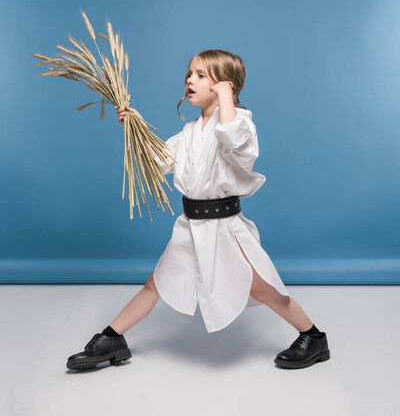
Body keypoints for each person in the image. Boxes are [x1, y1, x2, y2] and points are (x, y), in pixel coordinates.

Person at [66, 49, 330, 371]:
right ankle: (111, 338)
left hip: (225, 229)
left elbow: (234, 143)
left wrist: (226, 97)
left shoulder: (240, 123)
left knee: (263, 288)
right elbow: (160, 162)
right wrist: (134, 127)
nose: (190, 80)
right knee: (156, 282)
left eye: (201, 76)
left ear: (224, 86)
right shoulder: (190, 132)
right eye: (190, 74)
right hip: (191, 227)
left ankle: (313, 337)